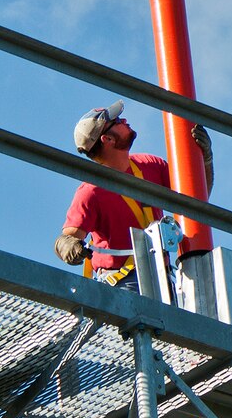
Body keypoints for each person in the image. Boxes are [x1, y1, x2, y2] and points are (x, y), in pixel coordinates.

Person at [55, 101, 213, 292]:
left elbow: (196, 202)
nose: (125, 121)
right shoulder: (91, 191)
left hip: (163, 279)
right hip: (123, 283)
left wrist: (204, 160)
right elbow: (66, 240)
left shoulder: (149, 164)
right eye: (118, 121)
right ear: (108, 139)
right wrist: (72, 248)